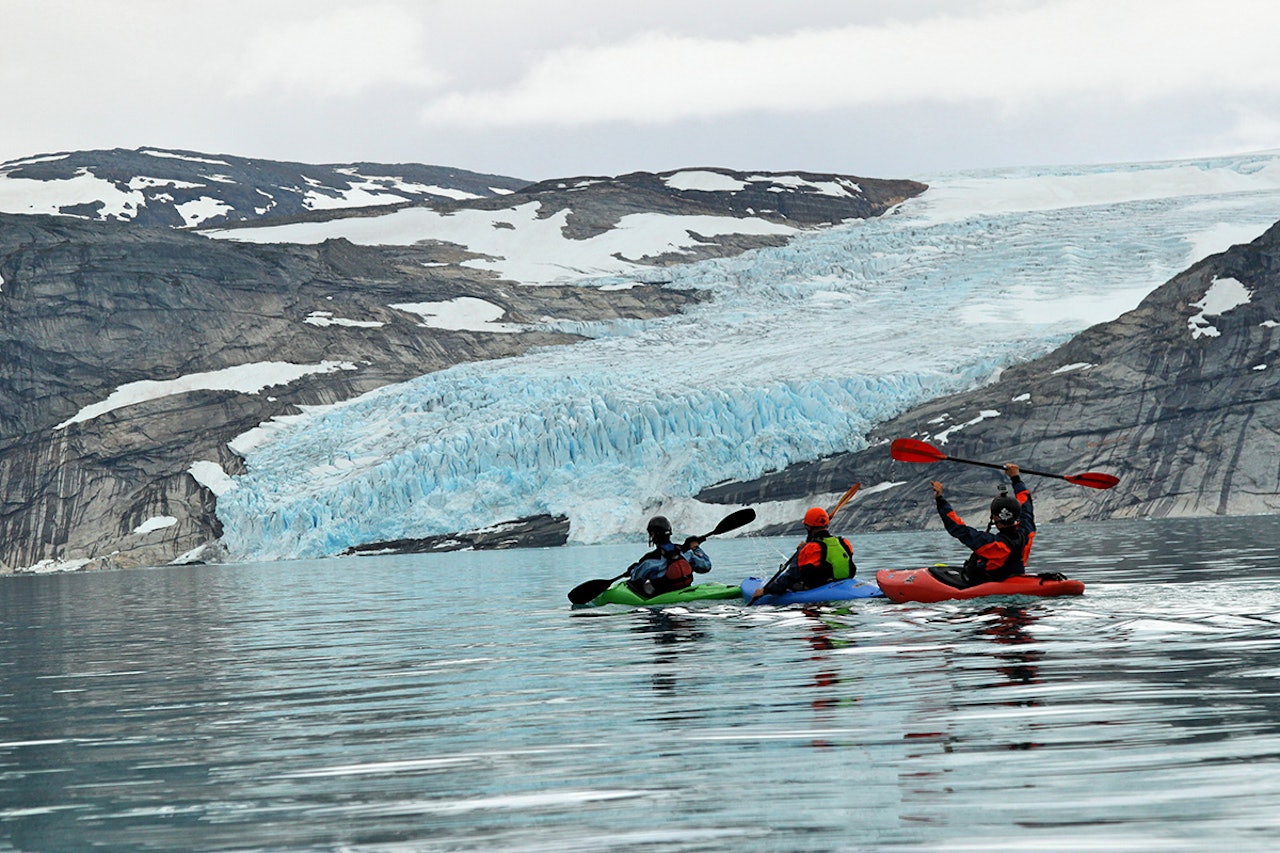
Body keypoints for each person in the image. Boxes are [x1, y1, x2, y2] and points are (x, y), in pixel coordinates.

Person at [931, 463, 1036, 586]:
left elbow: (956, 528)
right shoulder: (1028, 532)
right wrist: (1016, 478)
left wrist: (940, 499)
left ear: (995, 517)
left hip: (987, 586)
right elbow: (1026, 503)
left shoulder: (990, 543)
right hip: (1014, 581)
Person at [750, 506, 856, 601]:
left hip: (817, 587)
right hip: (843, 582)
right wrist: (807, 546)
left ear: (808, 527)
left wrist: (766, 591)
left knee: (785, 581)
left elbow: (791, 577)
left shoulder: (810, 549)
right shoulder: (844, 543)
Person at [626, 515, 712, 598]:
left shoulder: (649, 560)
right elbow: (706, 566)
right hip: (685, 591)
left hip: (664, 597)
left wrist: (633, 570)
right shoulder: (686, 552)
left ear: (652, 534)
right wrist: (695, 548)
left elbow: (635, 578)